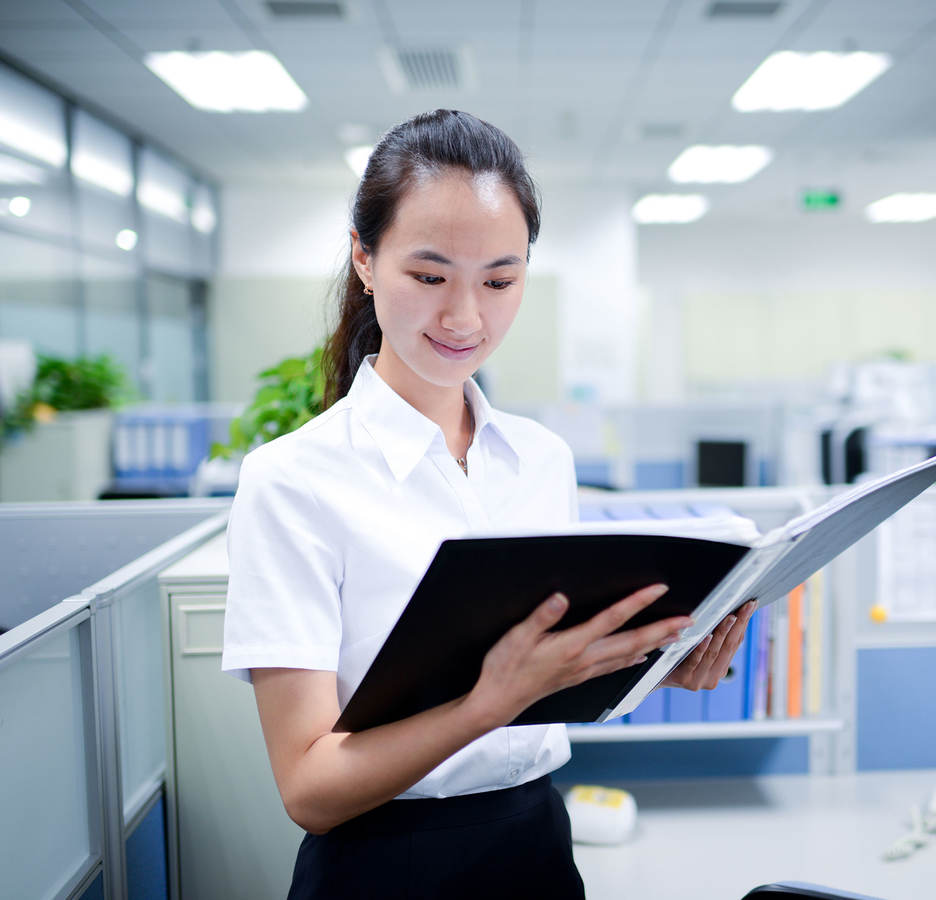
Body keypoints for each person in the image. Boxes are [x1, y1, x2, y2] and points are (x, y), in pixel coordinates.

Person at [221, 108, 754, 900]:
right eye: (429, 277)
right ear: (365, 262)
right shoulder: (293, 481)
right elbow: (308, 789)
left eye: (500, 280)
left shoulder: (541, 460)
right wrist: (489, 702)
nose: (466, 317)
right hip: (383, 866)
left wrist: (644, 663)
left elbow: (537, 675)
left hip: (535, 845)